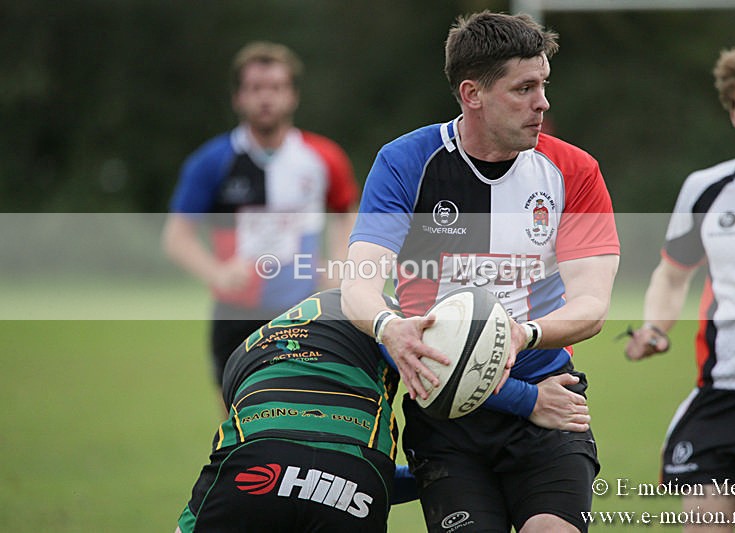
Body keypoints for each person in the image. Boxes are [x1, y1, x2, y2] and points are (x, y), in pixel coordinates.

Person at [340, 11, 620, 533]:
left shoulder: (574, 171)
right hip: (446, 414)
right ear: (473, 94)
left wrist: (523, 334)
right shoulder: (407, 163)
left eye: (544, 85)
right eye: (525, 88)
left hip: (553, 397)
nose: (543, 104)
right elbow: (357, 284)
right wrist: (388, 327)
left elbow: (592, 306)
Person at [625, 37, 735, 531]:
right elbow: (672, 272)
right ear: (732, 115)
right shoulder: (706, 189)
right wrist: (656, 327)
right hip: (722, 395)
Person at [162, 41, 359, 393]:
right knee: (238, 429)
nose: (265, 98)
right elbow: (177, 237)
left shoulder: (323, 157)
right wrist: (217, 273)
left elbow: (347, 216)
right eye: (255, 89)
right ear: (238, 97)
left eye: (276, 88)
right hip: (236, 314)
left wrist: (340, 267)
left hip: (306, 310)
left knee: (303, 415)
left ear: (293, 96)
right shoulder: (212, 162)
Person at [175, 289, 417, 532]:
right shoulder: (392, 319)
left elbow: (294, 461)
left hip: (254, 458)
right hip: (356, 473)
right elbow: (325, 471)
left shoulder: (246, 350)